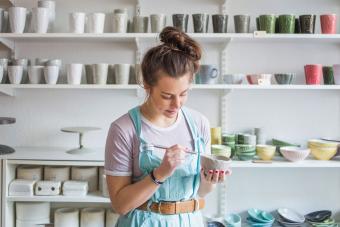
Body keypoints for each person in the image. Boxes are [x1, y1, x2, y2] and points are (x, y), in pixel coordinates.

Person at [105, 26, 232, 227]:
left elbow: (201, 192)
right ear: (147, 85)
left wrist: (210, 179)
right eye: (167, 96)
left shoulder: (199, 124)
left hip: (190, 221)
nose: (177, 104)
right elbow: (120, 205)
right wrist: (160, 173)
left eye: (183, 94)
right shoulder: (124, 129)